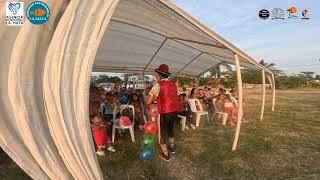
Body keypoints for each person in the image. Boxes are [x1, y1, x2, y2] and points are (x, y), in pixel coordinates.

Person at [145, 64, 179, 161]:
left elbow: (149, 101)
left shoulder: (158, 85)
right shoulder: (173, 84)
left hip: (164, 112)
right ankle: (172, 148)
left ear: (160, 75)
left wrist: (147, 107)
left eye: (156, 75)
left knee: (162, 133)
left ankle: (166, 154)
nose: (155, 76)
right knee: (170, 129)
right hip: (174, 111)